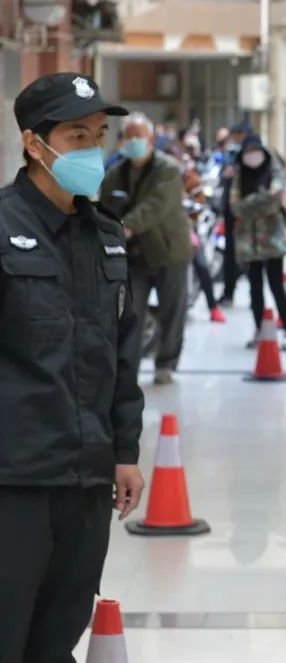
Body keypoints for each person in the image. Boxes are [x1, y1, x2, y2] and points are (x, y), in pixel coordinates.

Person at [1, 72, 144, 662]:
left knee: (59, 633)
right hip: (15, 478)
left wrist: (126, 451)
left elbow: (123, 349)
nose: (94, 148)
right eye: (77, 134)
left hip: (87, 477)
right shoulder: (4, 230)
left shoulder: (106, 237)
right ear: (35, 144)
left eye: (100, 134)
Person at [101, 111, 194, 385]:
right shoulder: (115, 173)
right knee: (131, 313)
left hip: (169, 252)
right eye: (128, 137)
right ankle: (128, 366)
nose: (133, 142)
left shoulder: (168, 169)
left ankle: (166, 362)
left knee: (172, 311)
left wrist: (125, 226)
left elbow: (155, 205)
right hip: (134, 257)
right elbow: (105, 206)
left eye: (138, 136)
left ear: (151, 139)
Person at [232, 134, 286, 351]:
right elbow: (234, 207)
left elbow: (275, 200)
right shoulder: (240, 176)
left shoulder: (274, 172)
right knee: (255, 288)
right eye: (247, 152)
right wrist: (261, 199)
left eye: (255, 151)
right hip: (248, 243)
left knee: (277, 286)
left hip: (272, 240)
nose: (252, 156)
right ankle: (259, 329)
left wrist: (250, 205)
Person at [182, 163, 227, 323]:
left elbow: (200, 203)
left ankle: (213, 307)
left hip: (186, 230)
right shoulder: (156, 181)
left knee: (201, 265)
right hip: (160, 231)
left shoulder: (191, 180)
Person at [218, 122, 251, 306]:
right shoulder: (230, 154)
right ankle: (229, 291)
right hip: (231, 211)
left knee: (250, 256)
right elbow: (223, 176)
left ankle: (254, 295)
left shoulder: (258, 155)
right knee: (229, 253)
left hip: (249, 214)